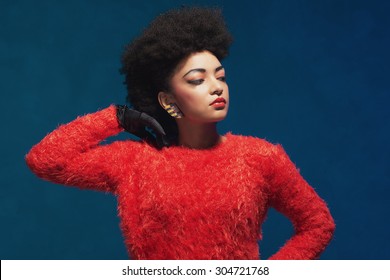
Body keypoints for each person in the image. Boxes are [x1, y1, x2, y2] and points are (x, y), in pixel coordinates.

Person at [26, 7, 335, 260]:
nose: (217, 87)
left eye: (221, 76)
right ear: (168, 101)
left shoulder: (260, 158)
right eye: (197, 80)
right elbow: (46, 161)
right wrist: (117, 117)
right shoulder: (135, 161)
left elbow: (317, 223)